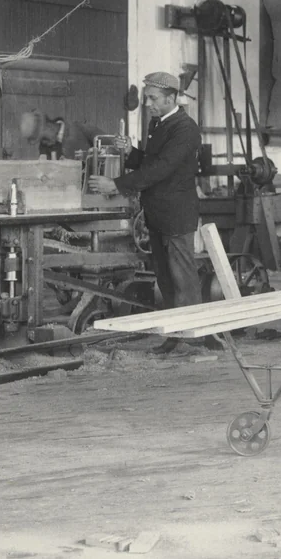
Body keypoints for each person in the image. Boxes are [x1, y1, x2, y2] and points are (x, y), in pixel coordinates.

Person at [88, 71, 206, 354]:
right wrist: (131, 152)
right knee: (166, 279)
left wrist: (115, 185)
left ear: (171, 98)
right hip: (158, 214)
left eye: (153, 98)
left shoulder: (185, 128)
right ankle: (175, 336)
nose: (148, 103)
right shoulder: (159, 124)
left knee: (183, 279)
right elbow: (151, 162)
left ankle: (194, 338)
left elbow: (162, 169)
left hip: (176, 216)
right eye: (147, 98)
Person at [19, 111, 105, 160]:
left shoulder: (80, 128)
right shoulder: (44, 147)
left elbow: (112, 148)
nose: (44, 143)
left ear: (49, 127)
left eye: (44, 138)